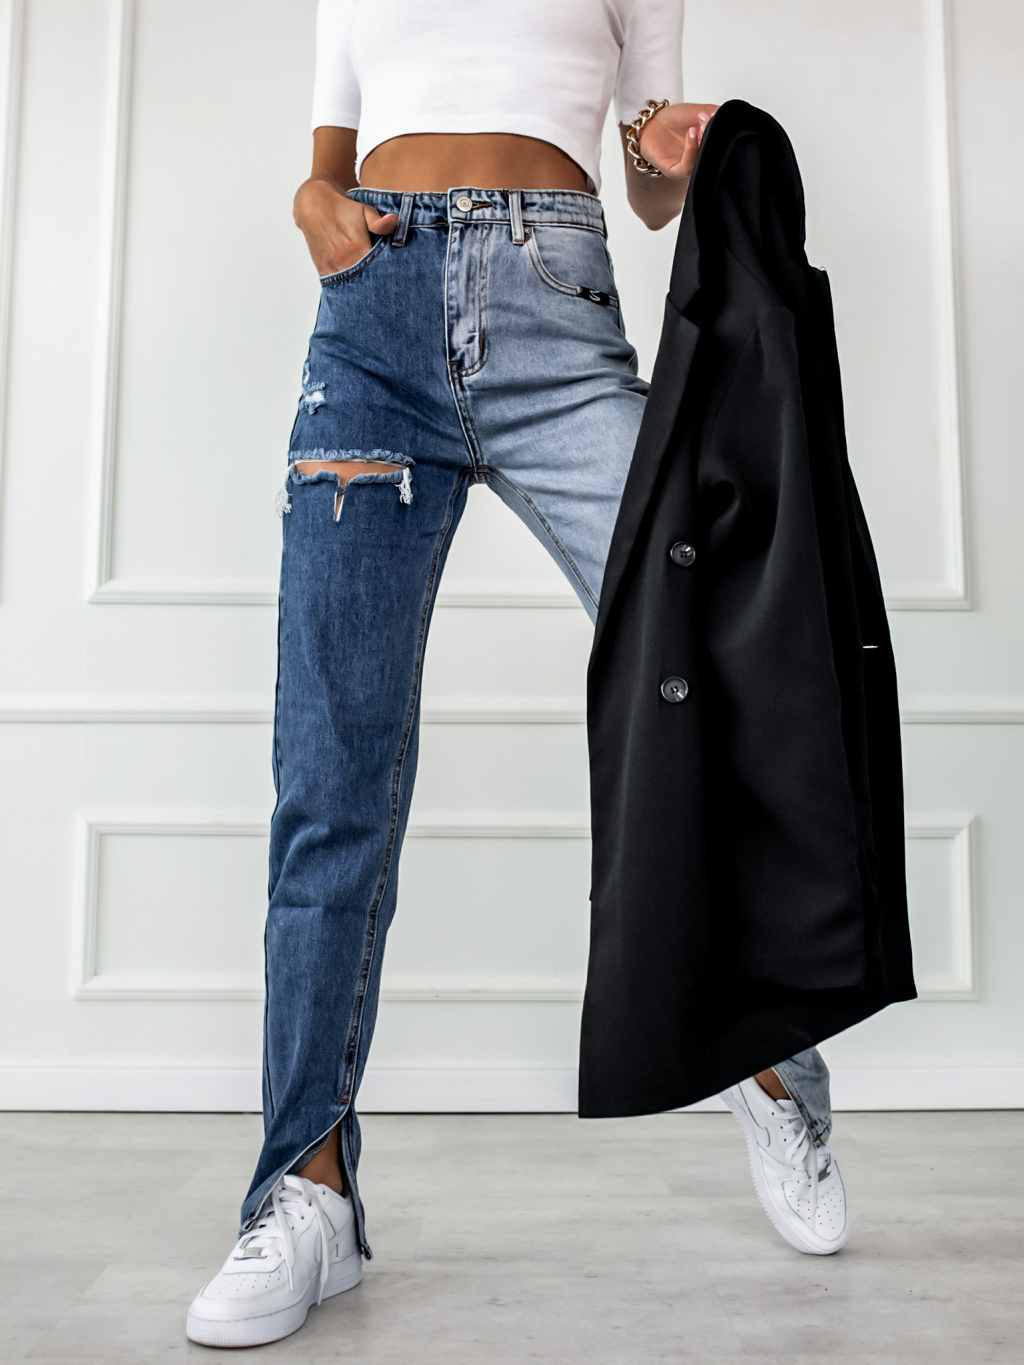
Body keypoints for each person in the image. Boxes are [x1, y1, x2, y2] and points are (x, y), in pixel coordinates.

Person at [187, 1, 846, 1348]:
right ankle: (306, 1191)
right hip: (371, 335)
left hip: (559, 313)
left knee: (710, 681)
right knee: (331, 781)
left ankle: (772, 1063)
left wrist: (665, 147)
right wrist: (315, 207)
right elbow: (326, 161)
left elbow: (650, 186)